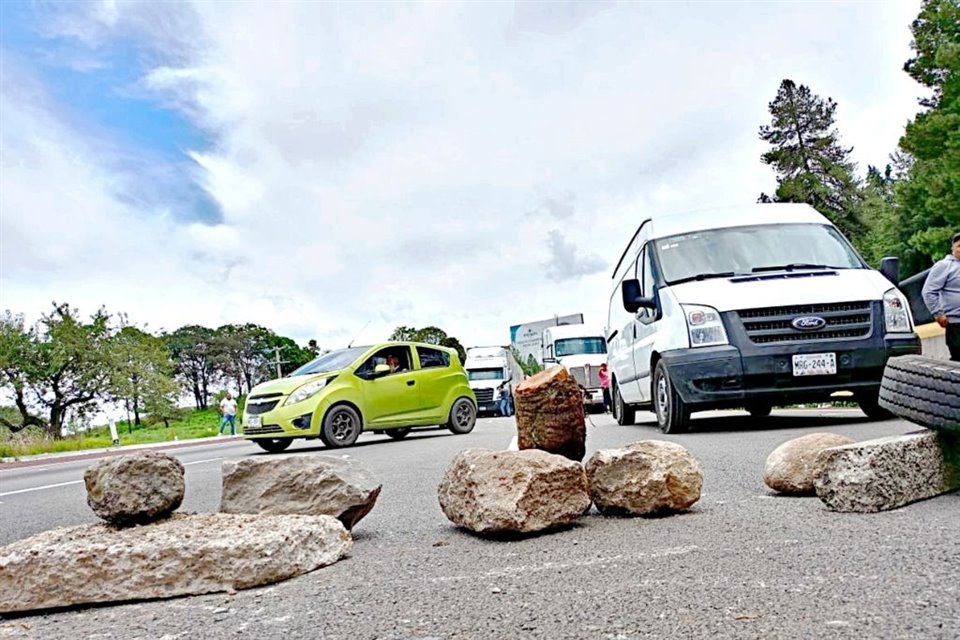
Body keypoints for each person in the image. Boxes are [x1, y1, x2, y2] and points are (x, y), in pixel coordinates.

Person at [922, 232, 960, 362]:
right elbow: (928, 291)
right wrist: (938, 313)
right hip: (956, 323)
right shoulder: (944, 266)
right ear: (953, 248)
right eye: (959, 246)